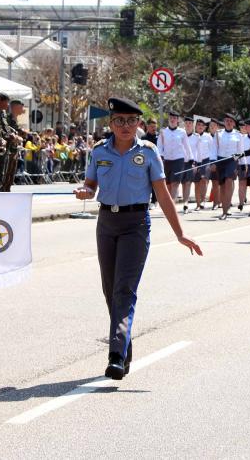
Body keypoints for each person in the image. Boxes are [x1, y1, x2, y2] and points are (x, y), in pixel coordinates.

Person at [74, 97, 202, 380]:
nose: (125, 126)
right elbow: (91, 184)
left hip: (136, 225)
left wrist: (180, 233)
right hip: (107, 223)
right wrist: (85, 192)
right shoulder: (99, 151)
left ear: (139, 124)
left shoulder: (148, 152)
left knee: (124, 290)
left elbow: (163, 195)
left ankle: (115, 355)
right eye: (119, 120)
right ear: (111, 123)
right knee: (110, 290)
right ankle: (124, 346)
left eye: (131, 121)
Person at [157, 111, 193, 207]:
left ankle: (172, 205)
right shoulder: (163, 132)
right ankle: (169, 204)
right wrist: (160, 156)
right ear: (168, 119)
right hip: (167, 160)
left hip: (179, 160)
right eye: (171, 118)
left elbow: (187, 145)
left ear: (177, 120)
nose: (172, 120)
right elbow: (159, 146)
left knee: (175, 183)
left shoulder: (182, 132)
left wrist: (191, 158)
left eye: (174, 118)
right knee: (168, 184)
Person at [212, 114, 243, 220]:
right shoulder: (218, 134)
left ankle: (226, 209)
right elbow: (214, 149)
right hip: (220, 160)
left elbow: (241, 151)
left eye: (231, 121)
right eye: (227, 121)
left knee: (229, 181)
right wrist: (213, 162)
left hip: (232, 160)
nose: (228, 123)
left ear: (234, 123)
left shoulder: (238, 135)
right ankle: (224, 209)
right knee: (222, 185)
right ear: (224, 122)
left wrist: (243, 164)